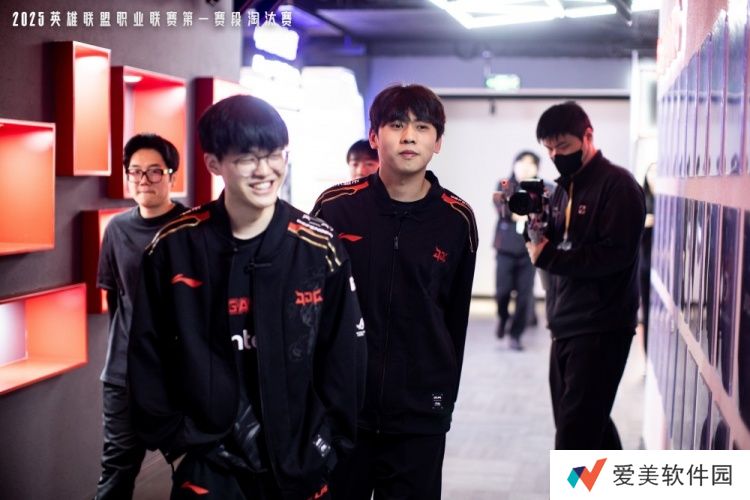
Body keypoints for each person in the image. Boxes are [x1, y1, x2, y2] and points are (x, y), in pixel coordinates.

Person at [127, 95, 366, 499]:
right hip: (207, 463)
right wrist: (178, 446)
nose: (264, 170)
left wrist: (328, 447)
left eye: (274, 155)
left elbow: (345, 355)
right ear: (214, 163)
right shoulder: (174, 247)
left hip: (300, 460)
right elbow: (147, 354)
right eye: (247, 158)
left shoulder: (317, 246)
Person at [312, 83, 477, 500]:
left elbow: (454, 319)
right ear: (374, 136)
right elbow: (309, 308)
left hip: (419, 414)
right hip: (342, 411)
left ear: (438, 142)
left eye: (422, 127)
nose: (409, 137)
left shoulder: (456, 219)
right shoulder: (335, 207)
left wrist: (443, 401)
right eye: (396, 125)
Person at [525, 101, 645, 450]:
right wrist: (534, 235)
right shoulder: (563, 189)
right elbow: (558, 245)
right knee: (589, 426)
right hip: (564, 323)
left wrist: (550, 257)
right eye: (549, 148)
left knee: (575, 437)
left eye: (563, 146)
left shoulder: (618, 186)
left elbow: (614, 255)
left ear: (587, 136)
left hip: (601, 327)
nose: (555, 155)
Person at [95, 133, 188, 499]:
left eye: (154, 171)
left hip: (179, 376)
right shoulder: (116, 229)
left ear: (172, 176)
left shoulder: (193, 227)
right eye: (135, 172)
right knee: (116, 473)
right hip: (124, 378)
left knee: (195, 471)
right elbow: (116, 299)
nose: (144, 180)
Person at [493, 150, 541, 351]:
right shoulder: (505, 184)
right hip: (505, 248)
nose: (526, 167)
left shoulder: (540, 189)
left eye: (531, 164)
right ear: (515, 165)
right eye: (522, 163)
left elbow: (542, 213)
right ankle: (503, 317)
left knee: (524, 296)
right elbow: (501, 208)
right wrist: (522, 213)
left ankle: (516, 335)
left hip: (529, 250)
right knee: (502, 292)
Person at [640, 162, 656, 353]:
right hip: (645, 259)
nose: (654, 176)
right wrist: (643, 222)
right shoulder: (641, 197)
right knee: (646, 309)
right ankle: (647, 352)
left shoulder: (668, 200)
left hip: (665, 262)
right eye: (651, 171)